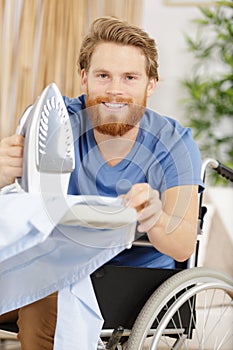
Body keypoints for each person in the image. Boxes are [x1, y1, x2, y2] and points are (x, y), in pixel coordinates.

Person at [0, 16, 203, 350]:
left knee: (47, 300)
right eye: (103, 76)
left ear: (151, 84)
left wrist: (154, 215)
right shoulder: (55, 121)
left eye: (130, 77)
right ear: (85, 78)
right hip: (51, 264)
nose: (115, 90)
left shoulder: (173, 143)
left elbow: (182, 245)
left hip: (128, 282)